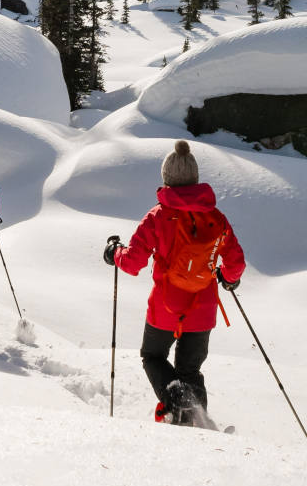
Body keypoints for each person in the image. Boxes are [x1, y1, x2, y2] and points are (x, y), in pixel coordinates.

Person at [104, 140, 245, 427]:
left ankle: (178, 404)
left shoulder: (158, 217)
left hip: (166, 307)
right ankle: (198, 423)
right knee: (190, 369)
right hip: (202, 309)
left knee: (152, 356)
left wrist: (114, 252)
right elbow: (236, 263)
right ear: (195, 178)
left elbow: (132, 263)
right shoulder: (215, 218)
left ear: (166, 178)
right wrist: (229, 280)